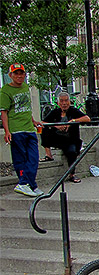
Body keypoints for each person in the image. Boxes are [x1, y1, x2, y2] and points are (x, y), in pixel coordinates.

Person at [0, 63, 43, 197]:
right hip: (16, 130)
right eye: (16, 73)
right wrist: (7, 131)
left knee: (34, 158)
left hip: (29, 128)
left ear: (24, 75)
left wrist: (33, 121)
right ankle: (27, 184)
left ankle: (26, 183)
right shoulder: (5, 91)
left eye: (21, 73)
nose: (19, 76)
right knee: (21, 159)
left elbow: (26, 107)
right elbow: (4, 113)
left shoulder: (25, 87)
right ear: (10, 75)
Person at [41, 92, 90, 183]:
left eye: (66, 101)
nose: (64, 103)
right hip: (58, 138)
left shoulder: (73, 111)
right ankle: (49, 155)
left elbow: (87, 118)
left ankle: (72, 174)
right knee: (44, 129)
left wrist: (73, 121)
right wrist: (56, 125)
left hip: (71, 139)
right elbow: (43, 122)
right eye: (62, 101)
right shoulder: (55, 112)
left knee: (72, 152)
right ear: (58, 103)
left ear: (69, 101)